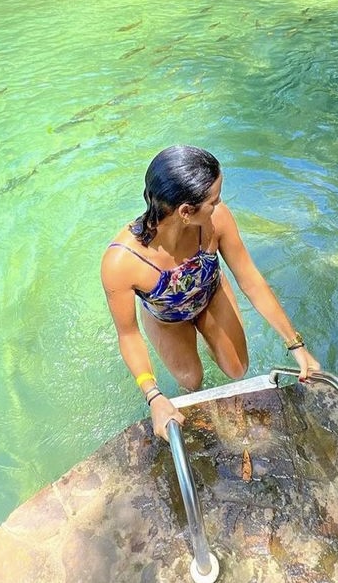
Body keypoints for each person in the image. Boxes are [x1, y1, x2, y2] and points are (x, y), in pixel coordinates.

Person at [101, 145, 322, 440]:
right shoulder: (121, 263)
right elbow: (127, 335)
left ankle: (209, 335)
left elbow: (251, 280)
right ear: (186, 212)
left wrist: (296, 345)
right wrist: (154, 396)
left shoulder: (217, 221)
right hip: (167, 316)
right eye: (214, 201)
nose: (220, 205)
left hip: (210, 293)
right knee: (191, 381)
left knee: (236, 369)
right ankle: (194, 342)